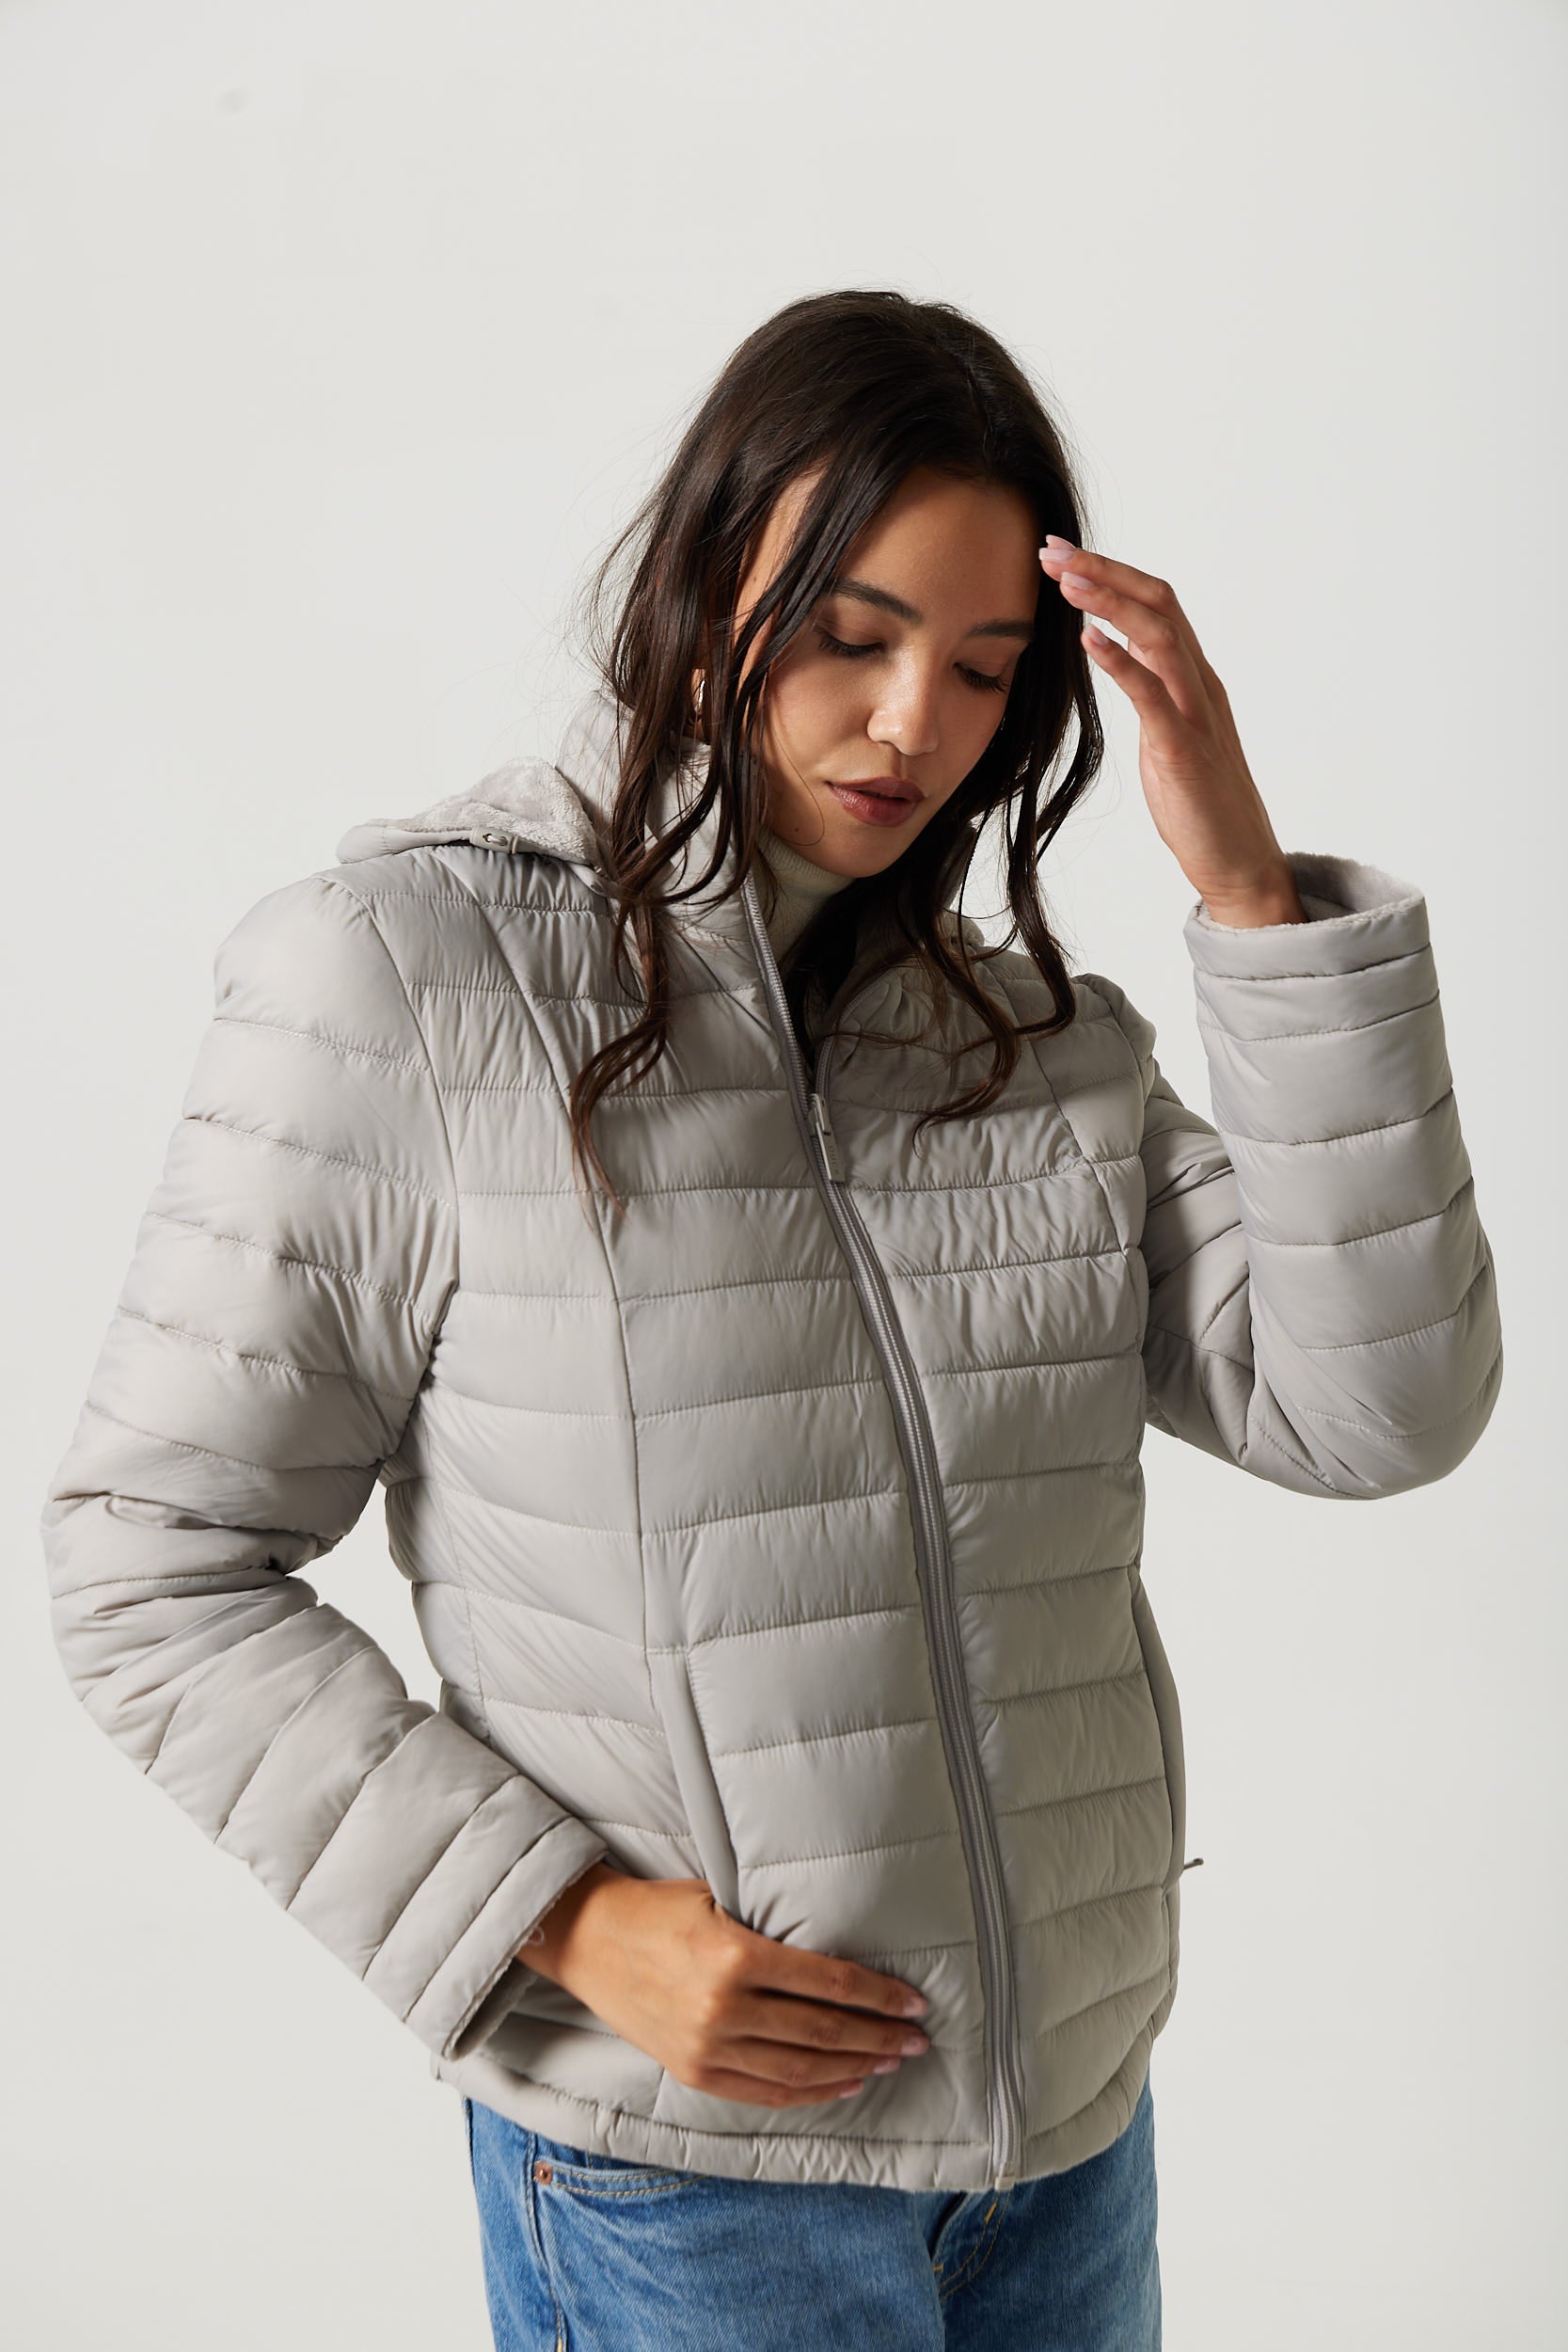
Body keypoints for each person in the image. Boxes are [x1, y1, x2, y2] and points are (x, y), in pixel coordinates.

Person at [40, 290, 1503, 2350]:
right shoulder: (406, 979)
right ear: (705, 582)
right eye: (851, 636)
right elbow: (153, 1565)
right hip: (690, 2180)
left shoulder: (1029, 1046)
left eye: (985, 668)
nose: (915, 723)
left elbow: (1380, 1410)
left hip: (1067, 2145)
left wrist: (1259, 907)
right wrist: (562, 1921)